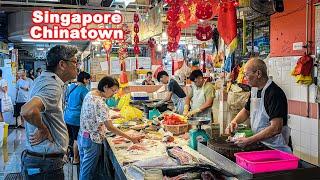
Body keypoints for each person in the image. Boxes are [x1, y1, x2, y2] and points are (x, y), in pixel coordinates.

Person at [20, 45, 79, 179]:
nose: (77, 66)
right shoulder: (51, 85)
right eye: (75, 62)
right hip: (45, 164)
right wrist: (42, 129)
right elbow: (27, 110)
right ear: (62, 64)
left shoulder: (44, 79)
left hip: (41, 160)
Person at [78, 76, 143, 180]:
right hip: (93, 140)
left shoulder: (91, 94)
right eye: (113, 90)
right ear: (105, 87)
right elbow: (110, 127)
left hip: (83, 136)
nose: (114, 93)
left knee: (84, 168)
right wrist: (130, 138)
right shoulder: (99, 102)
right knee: (88, 172)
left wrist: (109, 116)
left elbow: (93, 114)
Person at [225, 58, 291, 153]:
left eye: (247, 74)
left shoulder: (274, 93)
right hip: (261, 144)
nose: (245, 78)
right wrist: (234, 122)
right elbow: (246, 111)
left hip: (277, 149)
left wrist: (249, 140)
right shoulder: (254, 90)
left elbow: (276, 128)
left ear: (258, 74)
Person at [64, 71, 91, 164]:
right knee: (76, 139)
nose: (88, 82)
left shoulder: (71, 87)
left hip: (67, 117)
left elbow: (67, 100)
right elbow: (88, 105)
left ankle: (68, 157)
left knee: (69, 138)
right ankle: (76, 159)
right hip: (76, 118)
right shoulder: (84, 90)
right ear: (84, 79)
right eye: (88, 80)